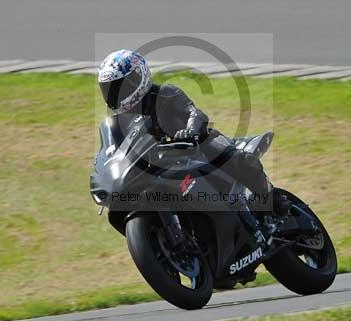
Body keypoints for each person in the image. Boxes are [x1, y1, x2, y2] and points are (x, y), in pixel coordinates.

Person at [97, 49, 286, 245]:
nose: (116, 95)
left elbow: (194, 113)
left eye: (121, 87)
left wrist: (190, 130)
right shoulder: (118, 123)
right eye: (109, 89)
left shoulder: (165, 94)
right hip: (162, 167)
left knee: (237, 160)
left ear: (139, 77)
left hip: (197, 146)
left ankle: (274, 204)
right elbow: (112, 151)